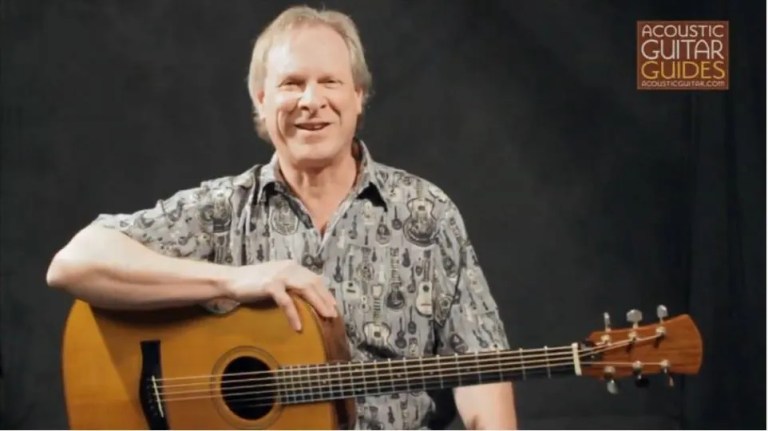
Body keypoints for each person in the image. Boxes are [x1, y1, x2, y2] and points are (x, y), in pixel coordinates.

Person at [46, 5, 517, 430]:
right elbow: (74, 263)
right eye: (292, 84)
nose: (311, 101)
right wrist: (236, 281)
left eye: (329, 82)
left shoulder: (426, 213)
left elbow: (483, 369)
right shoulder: (224, 209)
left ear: (357, 96)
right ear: (261, 99)